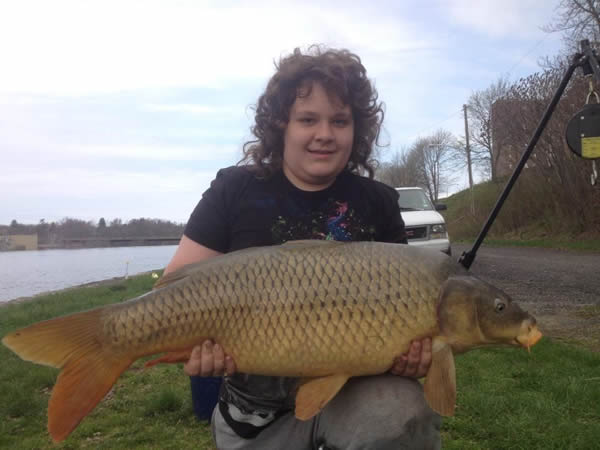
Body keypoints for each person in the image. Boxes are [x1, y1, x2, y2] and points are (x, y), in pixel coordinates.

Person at [163, 45, 441, 450]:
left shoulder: (378, 201)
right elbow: (174, 288)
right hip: (255, 410)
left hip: (355, 396)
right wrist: (193, 347)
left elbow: (404, 309)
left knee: (399, 411)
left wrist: (410, 359)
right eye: (308, 119)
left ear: (356, 130)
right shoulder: (235, 190)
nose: (325, 134)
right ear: (282, 126)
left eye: (340, 121)